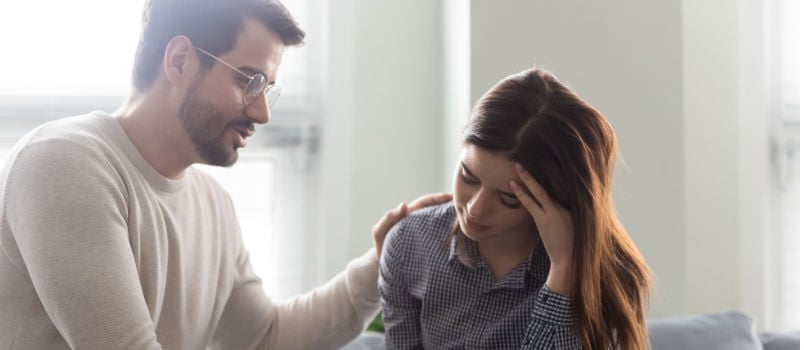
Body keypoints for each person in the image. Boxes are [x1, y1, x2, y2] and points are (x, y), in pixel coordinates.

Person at [0, 0, 451, 349]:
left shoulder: (212, 203)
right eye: (248, 81)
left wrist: (381, 262)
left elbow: (264, 337)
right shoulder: (64, 164)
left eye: (268, 90)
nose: (262, 112)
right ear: (179, 61)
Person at [379, 67, 652, 350]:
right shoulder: (410, 244)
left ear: (556, 198)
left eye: (508, 198)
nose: (475, 209)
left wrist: (564, 270)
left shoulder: (607, 275)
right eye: (468, 177)